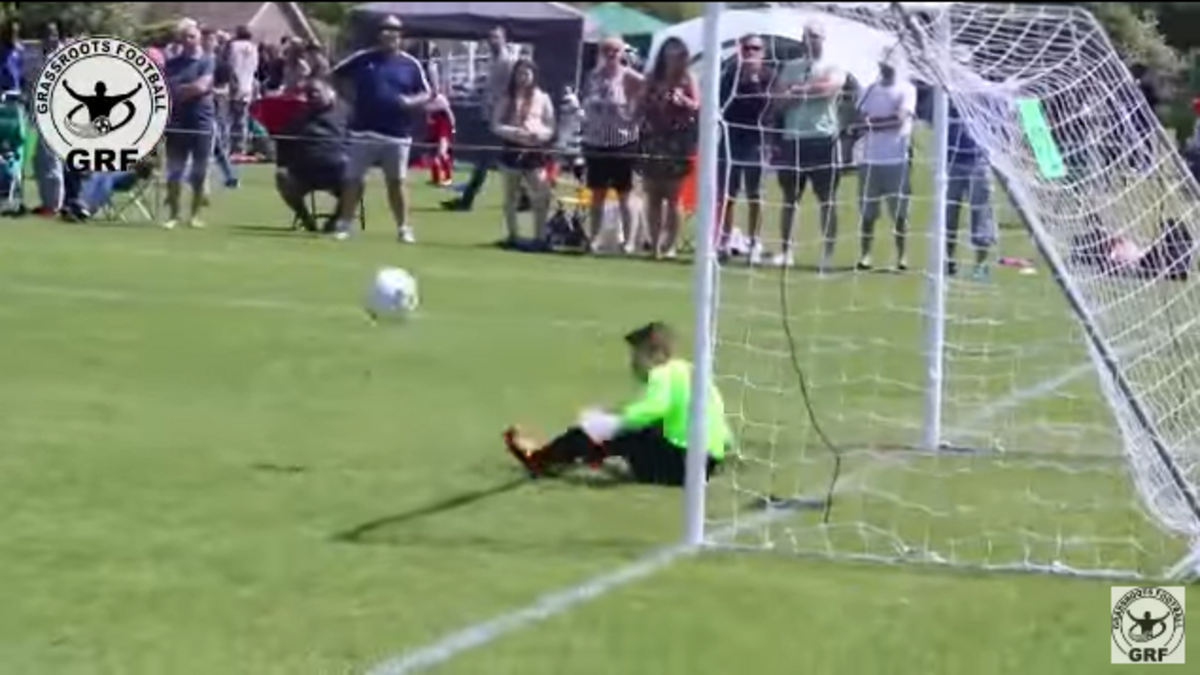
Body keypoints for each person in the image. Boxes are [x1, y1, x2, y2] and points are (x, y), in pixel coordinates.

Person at [503, 321, 729, 486]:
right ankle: (583, 457)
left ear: (656, 354)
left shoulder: (663, 373)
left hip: (681, 468)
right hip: (707, 465)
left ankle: (540, 460)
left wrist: (604, 421)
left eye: (636, 356)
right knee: (636, 430)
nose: (632, 363)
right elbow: (723, 431)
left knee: (606, 429)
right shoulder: (690, 371)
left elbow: (651, 409)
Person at [330, 15, 431, 243]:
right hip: (363, 130)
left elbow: (426, 93)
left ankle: (404, 228)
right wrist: (348, 98)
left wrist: (409, 102)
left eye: (394, 29)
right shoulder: (363, 58)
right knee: (353, 179)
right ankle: (344, 224)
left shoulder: (410, 64)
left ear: (401, 35)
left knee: (397, 182)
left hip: (396, 133)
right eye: (385, 29)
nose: (389, 33)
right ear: (378, 33)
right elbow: (335, 75)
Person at [772, 22, 847, 270]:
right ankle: (786, 252)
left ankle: (827, 254)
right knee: (789, 199)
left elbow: (828, 89)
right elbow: (779, 101)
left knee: (826, 199)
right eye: (806, 36)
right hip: (793, 139)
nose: (810, 40)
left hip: (823, 139)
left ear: (824, 38)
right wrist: (803, 91)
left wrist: (798, 90)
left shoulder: (834, 65)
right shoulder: (791, 67)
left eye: (814, 36)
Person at [441, 26, 518, 212]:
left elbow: (512, 92)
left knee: (487, 162)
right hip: (490, 117)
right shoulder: (495, 61)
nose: (492, 41)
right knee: (491, 162)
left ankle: (467, 200)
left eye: (496, 37)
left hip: (500, 120)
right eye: (490, 37)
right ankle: (468, 199)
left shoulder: (507, 62)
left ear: (504, 39)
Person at [852, 55, 916, 271]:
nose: (887, 67)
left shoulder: (907, 90)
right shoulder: (869, 90)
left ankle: (902, 256)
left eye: (891, 63)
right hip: (869, 160)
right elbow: (861, 121)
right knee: (868, 214)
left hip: (896, 161)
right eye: (884, 63)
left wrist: (875, 123)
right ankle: (865, 255)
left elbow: (899, 121)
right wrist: (881, 122)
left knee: (900, 214)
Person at [581, 35, 643, 253]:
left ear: (622, 53)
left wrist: (633, 117)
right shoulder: (593, 77)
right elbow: (586, 103)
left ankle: (629, 241)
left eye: (615, 50)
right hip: (597, 142)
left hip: (622, 143)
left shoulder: (629, 77)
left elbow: (647, 96)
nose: (611, 55)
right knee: (597, 194)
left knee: (625, 194)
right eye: (606, 50)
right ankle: (595, 238)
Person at [639, 37, 699, 260]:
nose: (674, 60)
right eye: (670, 55)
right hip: (653, 141)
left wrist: (683, 101)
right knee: (653, 195)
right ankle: (654, 245)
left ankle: (670, 245)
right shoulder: (652, 78)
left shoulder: (687, 79)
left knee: (673, 197)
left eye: (678, 56)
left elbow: (697, 107)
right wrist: (651, 99)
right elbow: (640, 104)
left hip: (677, 143)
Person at [718, 34, 774, 263]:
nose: (750, 52)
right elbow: (721, 104)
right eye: (746, 48)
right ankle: (725, 240)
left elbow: (771, 107)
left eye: (755, 48)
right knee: (727, 195)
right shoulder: (730, 74)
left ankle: (755, 242)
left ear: (763, 53)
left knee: (755, 195)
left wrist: (754, 82)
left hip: (757, 142)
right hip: (731, 141)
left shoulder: (768, 77)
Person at [492, 59, 555, 247]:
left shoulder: (542, 98)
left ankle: (540, 237)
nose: (523, 78)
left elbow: (551, 127)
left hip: (534, 151)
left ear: (534, 76)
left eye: (527, 74)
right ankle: (512, 235)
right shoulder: (507, 97)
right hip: (512, 149)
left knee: (542, 194)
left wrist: (540, 135)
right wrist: (512, 132)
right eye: (520, 73)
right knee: (511, 196)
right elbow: (495, 124)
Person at [275, 79, 347, 232]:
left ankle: (335, 221)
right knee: (281, 176)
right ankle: (306, 220)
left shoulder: (345, 114)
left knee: (359, 178)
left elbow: (359, 140)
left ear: (329, 92)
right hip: (305, 173)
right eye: (309, 93)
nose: (312, 95)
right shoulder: (301, 116)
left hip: (337, 172)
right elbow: (284, 139)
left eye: (316, 91)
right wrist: (283, 161)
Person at [163, 23, 215, 229]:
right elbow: (165, 88)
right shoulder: (173, 63)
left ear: (199, 38)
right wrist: (186, 90)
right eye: (185, 37)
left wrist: (181, 90)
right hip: (177, 121)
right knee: (174, 170)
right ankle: (174, 215)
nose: (188, 41)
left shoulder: (207, 61)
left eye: (192, 36)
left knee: (199, 172)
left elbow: (201, 86)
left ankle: (195, 215)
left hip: (201, 121)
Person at [945, 101, 995, 280]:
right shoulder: (948, 100)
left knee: (980, 214)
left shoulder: (983, 97)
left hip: (978, 162)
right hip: (952, 162)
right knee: (948, 214)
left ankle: (980, 265)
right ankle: (948, 260)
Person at [226, 25, 259, 157]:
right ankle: (240, 148)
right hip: (248, 85)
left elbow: (230, 65)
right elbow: (255, 68)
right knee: (242, 120)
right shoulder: (254, 48)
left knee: (229, 119)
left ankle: (230, 147)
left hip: (233, 85)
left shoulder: (233, 46)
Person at [426, 91, 455, 187]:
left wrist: (453, 127)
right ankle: (436, 179)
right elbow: (428, 114)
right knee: (433, 157)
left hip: (443, 131)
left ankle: (448, 178)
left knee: (442, 154)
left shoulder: (441, 99)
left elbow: (449, 113)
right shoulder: (427, 99)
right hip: (434, 131)